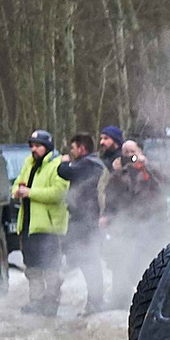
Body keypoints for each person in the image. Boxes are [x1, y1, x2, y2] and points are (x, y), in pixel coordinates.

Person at [11, 129, 67, 310]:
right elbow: (19, 182)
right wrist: (17, 191)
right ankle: (35, 301)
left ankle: (51, 302)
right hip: (28, 225)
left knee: (51, 267)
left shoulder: (57, 165)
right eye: (32, 146)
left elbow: (58, 193)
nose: (33, 150)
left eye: (38, 146)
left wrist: (30, 193)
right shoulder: (28, 163)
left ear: (47, 147)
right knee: (32, 267)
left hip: (49, 227)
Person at [103, 137, 170, 281]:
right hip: (126, 225)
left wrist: (147, 166)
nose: (129, 156)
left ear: (140, 151)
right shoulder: (119, 173)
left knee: (147, 263)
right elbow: (110, 196)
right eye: (125, 152)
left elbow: (165, 185)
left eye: (132, 152)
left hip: (150, 223)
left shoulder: (151, 170)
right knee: (122, 266)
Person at [58, 130, 110, 313]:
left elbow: (65, 172)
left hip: (86, 221)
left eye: (73, 148)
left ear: (82, 148)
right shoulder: (89, 164)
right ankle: (94, 300)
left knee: (89, 261)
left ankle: (96, 301)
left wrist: (64, 162)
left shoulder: (89, 164)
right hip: (83, 219)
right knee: (85, 260)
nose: (71, 151)